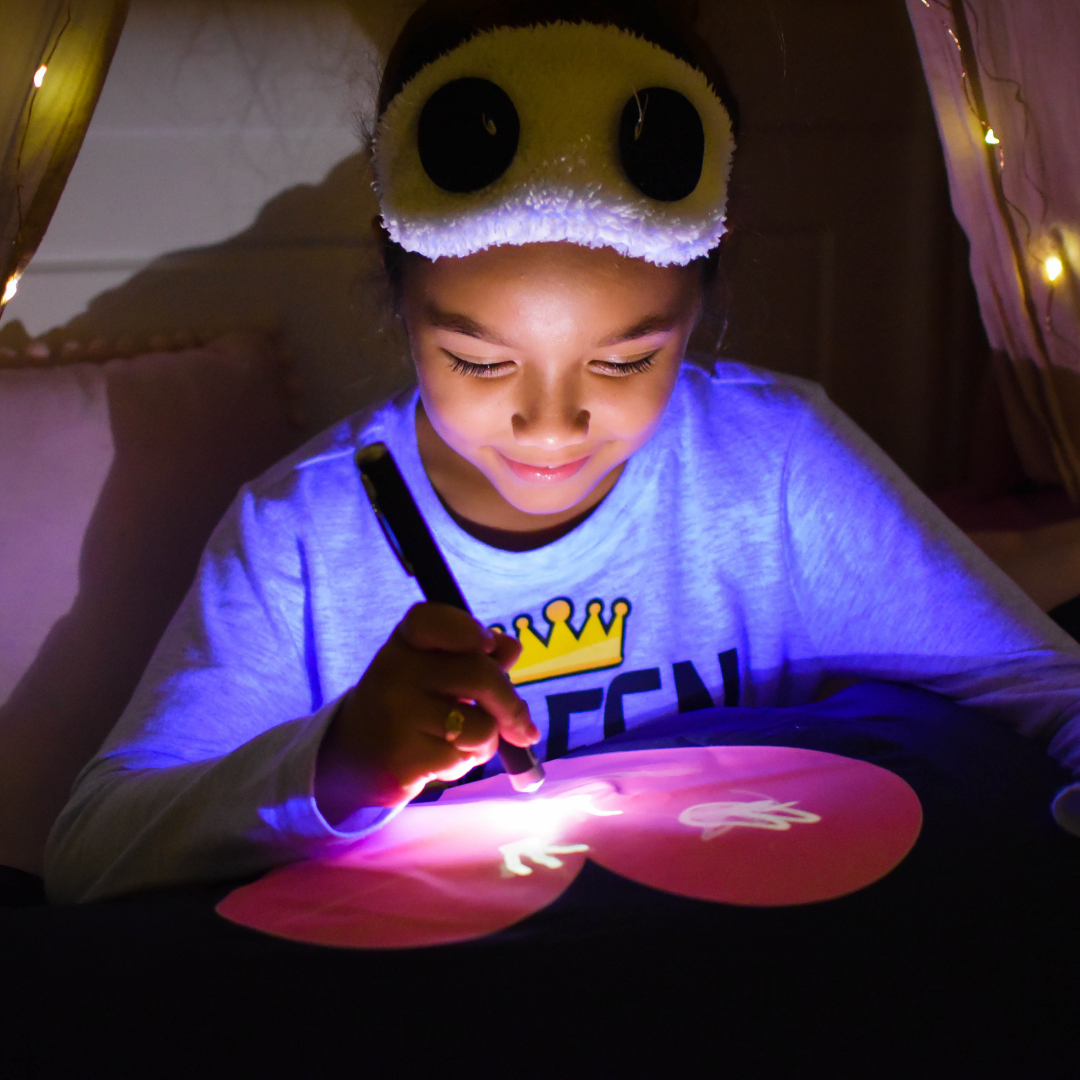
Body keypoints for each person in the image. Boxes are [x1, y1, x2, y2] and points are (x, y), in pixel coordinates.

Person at [45, 0, 1080, 904]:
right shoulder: (304, 539)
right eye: (480, 363)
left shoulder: (774, 470)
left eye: (626, 362)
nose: (550, 428)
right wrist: (336, 768)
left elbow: (1046, 688)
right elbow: (89, 852)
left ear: (700, 298)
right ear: (398, 297)